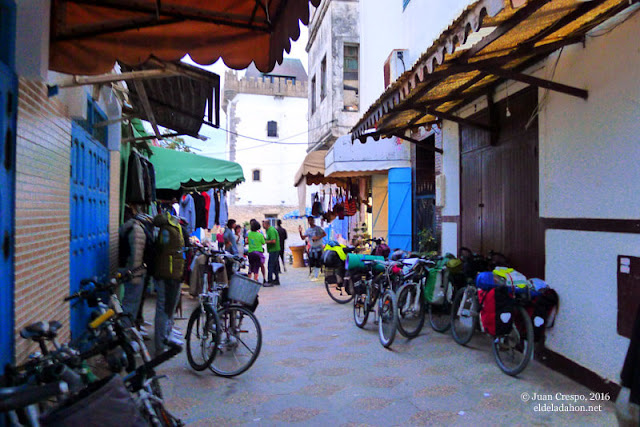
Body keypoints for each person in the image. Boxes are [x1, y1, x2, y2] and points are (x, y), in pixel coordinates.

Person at [152, 212, 185, 355]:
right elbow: (163, 250)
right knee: (164, 307)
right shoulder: (168, 229)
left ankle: (165, 337)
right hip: (168, 274)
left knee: (168, 307)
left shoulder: (170, 228)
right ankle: (160, 343)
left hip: (172, 273)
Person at [299, 216, 326, 281]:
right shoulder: (308, 230)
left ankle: (317, 275)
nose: (310, 222)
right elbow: (303, 238)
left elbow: (324, 234)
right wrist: (300, 232)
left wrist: (318, 237)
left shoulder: (318, 228)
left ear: (313, 221)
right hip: (312, 247)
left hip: (318, 247)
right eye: (309, 221)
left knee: (318, 261)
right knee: (312, 261)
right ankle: (315, 274)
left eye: (311, 220)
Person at [263, 220, 281, 286]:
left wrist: (265, 241)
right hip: (273, 250)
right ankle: (276, 279)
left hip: (274, 250)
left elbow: (273, 241)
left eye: (264, 224)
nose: (263, 226)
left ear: (267, 224)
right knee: (275, 265)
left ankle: (270, 280)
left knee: (270, 265)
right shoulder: (268, 230)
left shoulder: (271, 230)